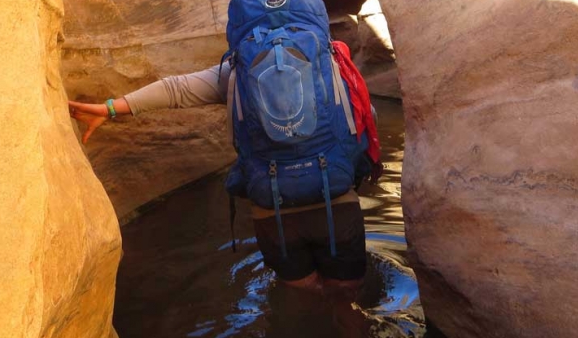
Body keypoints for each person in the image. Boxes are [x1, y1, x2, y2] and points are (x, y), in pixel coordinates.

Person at [68, 63, 368, 294]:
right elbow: (365, 122)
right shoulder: (331, 62)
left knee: (301, 300)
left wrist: (109, 109)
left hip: (273, 211)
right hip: (336, 203)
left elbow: (176, 90)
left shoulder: (239, 70)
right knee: (346, 299)